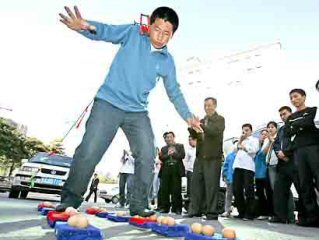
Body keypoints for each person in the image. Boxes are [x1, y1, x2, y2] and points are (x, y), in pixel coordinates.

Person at [57, 6, 201, 217]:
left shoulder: (167, 62)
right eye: (157, 29)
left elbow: (174, 92)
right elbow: (107, 31)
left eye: (166, 33)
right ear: (150, 25)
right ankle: (69, 200)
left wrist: (188, 116)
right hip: (108, 103)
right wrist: (85, 27)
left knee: (147, 153)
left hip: (137, 112)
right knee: (89, 151)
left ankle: (139, 205)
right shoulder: (134, 33)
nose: (160, 36)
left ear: (172, 35)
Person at [285, 89, 319, 227]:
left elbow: (308, 122)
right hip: (299, 151)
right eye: (291, 98)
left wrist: (297, 125)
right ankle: (313, 217)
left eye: (296, 96)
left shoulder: (312, 110)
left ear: (303, 97)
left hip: (313, 147)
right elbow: (288, 131)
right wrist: (300, 125)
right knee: (305, 183)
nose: (293, 99)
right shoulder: (290, 117)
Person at [188, 97, 225, 220]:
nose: (207, 108)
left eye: (209, 105)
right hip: (200, 157)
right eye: (205, 105)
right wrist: (192, 127)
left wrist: (201, 126)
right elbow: (196, 136)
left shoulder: (219, 119)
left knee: (211, 185)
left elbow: (214, 132)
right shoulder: (203, 120)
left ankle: (211, 212)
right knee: (196, 184)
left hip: (213, 157)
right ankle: (195, 210)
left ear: (215, 105)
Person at [269, 106, 298, 224]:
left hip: (294, 161)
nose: (282, 116)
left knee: (302, 188)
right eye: (281, 115)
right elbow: (276, 143)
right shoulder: (281, 129)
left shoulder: (296, 125)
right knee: (279, 190)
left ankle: (307, 216)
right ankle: (280, 216)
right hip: (282, 163)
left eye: (284, 114)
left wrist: (286, 153)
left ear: (290, 113)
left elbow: (297, 142)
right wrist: (279, 153)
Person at [232, 123, 260, 220]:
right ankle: (241, 211)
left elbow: (253, 150)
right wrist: (240, 141)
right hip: (237, 166)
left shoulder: (254, 140)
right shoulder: (240, 140)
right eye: (243, 130)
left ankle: (249, 213)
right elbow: (234, 150)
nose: (245, 132)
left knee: (249, 190)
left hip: (248, 167)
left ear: (251, 131)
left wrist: (243, 147)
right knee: (236, 189)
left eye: (247, 130)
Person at [158, 131, 185, 214]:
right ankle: (164, 207)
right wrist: (168, 154)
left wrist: (174, 153)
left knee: (176, 189)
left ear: (174, 137)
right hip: (166, 170)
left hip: (176, 170)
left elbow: (182, 156)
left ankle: (177, 208)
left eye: (170, 137)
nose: (169, 139)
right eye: (167, 137)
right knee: (164, 190)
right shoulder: (163, 148)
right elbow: (162, 158)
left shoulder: (180, 146)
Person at [221, 140, 238, 217]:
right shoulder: (230, 155)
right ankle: (227, 210)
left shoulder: (242, 155)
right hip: (230, 178)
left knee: (239, 194)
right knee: (229, 195)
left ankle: (239, 210)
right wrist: (224, 176)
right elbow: (225, 166)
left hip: (239, 178)